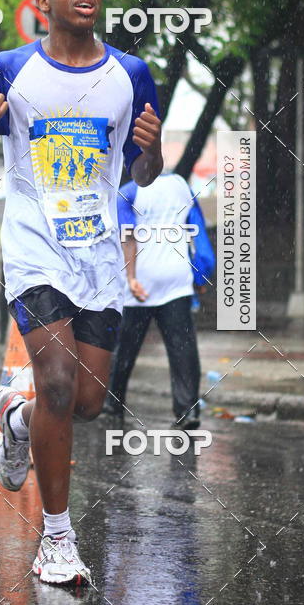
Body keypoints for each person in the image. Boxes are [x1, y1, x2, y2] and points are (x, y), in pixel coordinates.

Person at [0, 0, 163, 585]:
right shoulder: (10, 70)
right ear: (43, 2)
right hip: (36, 247)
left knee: (88, 402)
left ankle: (17, 416)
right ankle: (57, 542)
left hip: (97, 254)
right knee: (59, 384)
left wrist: (149, 154)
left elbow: (143, 173)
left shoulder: (131, 73)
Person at [103, 173, 215, 428]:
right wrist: (201, 273)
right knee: (183, 348)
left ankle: (113, 403)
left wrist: (129, 278)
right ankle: (187, 410)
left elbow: (128, 236)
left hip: (140, 282)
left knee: (125, 349)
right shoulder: (180, 186)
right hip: (177, 280)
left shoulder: (129, 192)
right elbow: (199, 234)